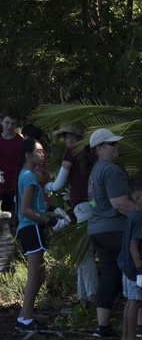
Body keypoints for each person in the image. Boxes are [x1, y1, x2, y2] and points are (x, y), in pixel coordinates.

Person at [87, 128, 142, 338]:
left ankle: (102, 326)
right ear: (99, 148)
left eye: (116, 143)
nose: (117, 147)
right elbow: (120, 203)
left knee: (110, 275)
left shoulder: (95, 170)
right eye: (111, 144)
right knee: (136, 270)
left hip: (97, 230)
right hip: (115, 229)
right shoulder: (112, 170)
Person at [15, 138, 70, 330]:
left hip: (29, 228)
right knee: (35, 275)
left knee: (40, 274)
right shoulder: (29, 176)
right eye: (38, 151)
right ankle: (27, 319)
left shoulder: (25, 175)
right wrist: (51, 221)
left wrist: (53, 208)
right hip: (31, 227)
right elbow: (26, 209)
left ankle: (23, 316)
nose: (43, 154)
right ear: (27, 155)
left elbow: (36, 203)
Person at [46, 123, 97, 309]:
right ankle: (83, 298)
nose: (65, 140)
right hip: (93, 205)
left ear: (75, 136)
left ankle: (92, 298)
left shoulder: (71, 153)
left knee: (84, 253)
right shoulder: (92, 152)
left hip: (84, 208)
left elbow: (58, 184)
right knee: (83, 252)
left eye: (67, 136)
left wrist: (51, 187)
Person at [118, 178, 142, 340]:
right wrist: (141, 270)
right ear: (138, 199)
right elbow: (134, 247)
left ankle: (126, 339)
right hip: (134, 267)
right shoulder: (139, 219)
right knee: (135, 302)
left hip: (127, 265)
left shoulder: (136, 215)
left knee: (131, 302)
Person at [0, 106, 23, 217]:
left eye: (13, 124)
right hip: (1, 187)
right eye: (7, 123)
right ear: (1, 121)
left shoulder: (21, 142)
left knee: (13, 222)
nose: (10, 127)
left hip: (16, 188)